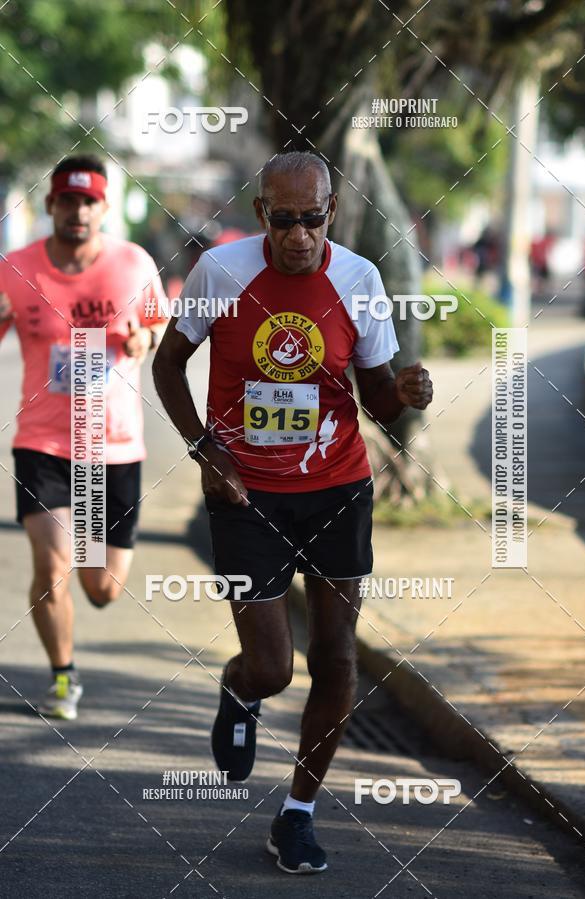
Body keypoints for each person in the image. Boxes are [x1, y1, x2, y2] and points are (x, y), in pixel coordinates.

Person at [152, 151, 433, 874]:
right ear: (261, 216)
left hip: (338, 487)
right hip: (246, 492)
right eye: (285, 219)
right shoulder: (223, 273)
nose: (301, 234)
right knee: (275, 666)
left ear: (330, 213)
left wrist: (404, 392)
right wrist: (207, 451)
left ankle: (298, 814)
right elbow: (166, 364)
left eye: (314, 218)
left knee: (337, 658)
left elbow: (376, 400)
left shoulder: (360, 280)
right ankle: (241, 685)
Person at [0, 154, 168, 720]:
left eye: (88, 201)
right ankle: (62, 677)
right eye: (67, 200)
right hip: (44, 442)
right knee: (52, 567)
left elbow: (156, 323)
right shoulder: (14, 268)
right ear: (50, 205)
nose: (78, 211)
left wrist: (142, 340)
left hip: (109, 445)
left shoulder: (132, 263)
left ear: (103, 207)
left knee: (100, 586)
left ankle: (88, 605)